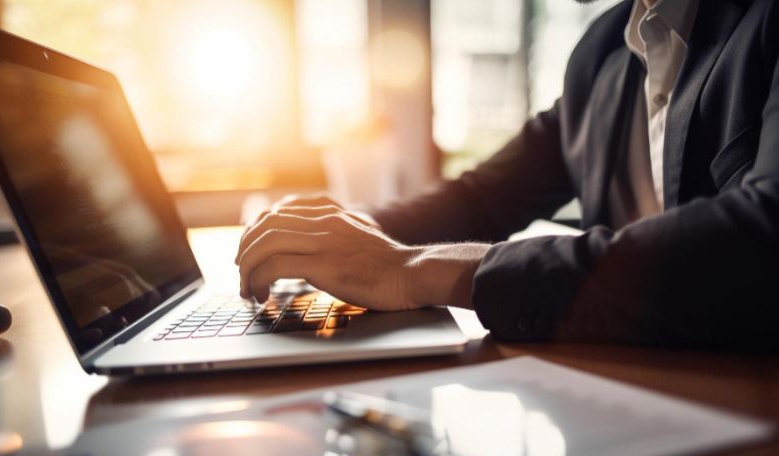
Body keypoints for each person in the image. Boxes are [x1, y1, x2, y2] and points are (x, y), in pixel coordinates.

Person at [235, 0, 779, 347]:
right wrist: (338, 234)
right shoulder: (605, 49)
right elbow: (484, 199)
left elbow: (760, 240)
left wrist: (414, 269)